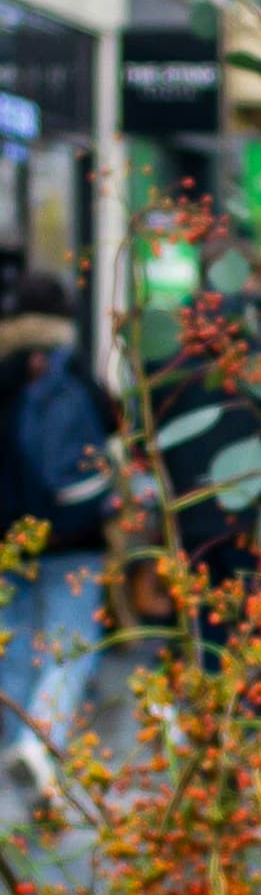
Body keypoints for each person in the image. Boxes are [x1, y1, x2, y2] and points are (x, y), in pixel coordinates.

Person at [0, 268, 107, 769]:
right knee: (73, 642)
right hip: (72, 534)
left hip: (7, 537)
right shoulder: (72, 370)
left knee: (14, 641)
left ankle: (18, 741)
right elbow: (110, 427)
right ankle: (41, 742)